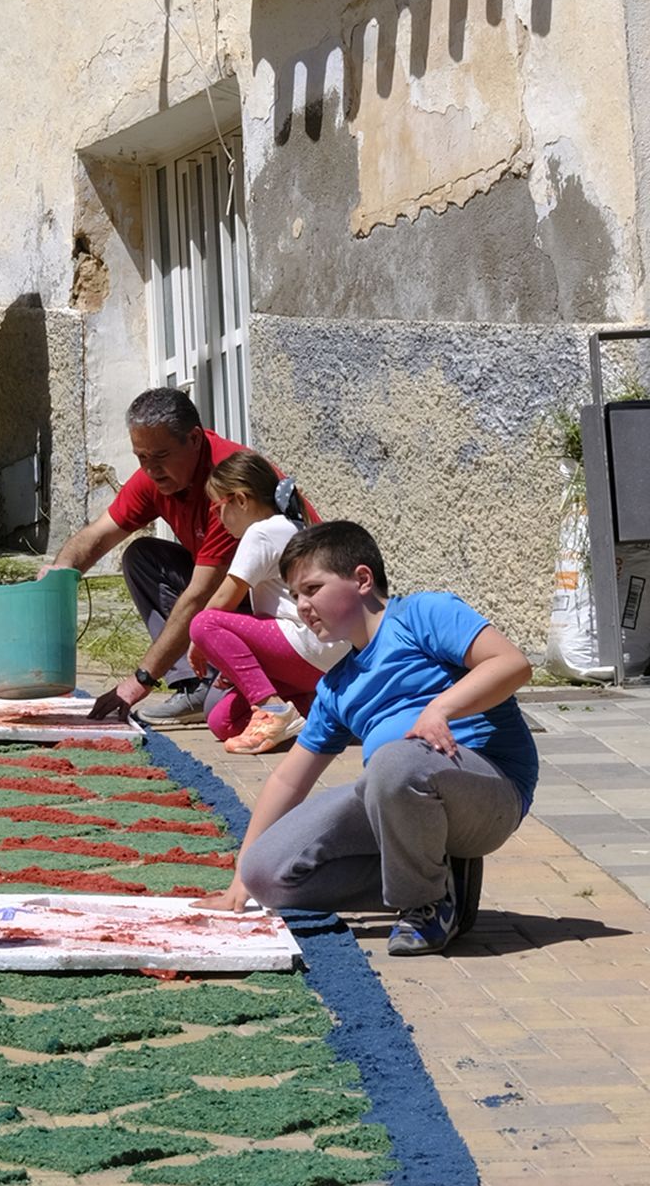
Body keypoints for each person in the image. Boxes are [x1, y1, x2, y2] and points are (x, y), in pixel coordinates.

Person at [225, 521, 537, 956]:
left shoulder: (423, 614)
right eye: (295, 595)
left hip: (489, 794)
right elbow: (288, 781)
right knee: (267, 873)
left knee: (394, 762)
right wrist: (240, 877)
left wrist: (440, 709)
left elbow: (512, 664)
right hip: (398, 798)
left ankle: (425, 905)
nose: (302, 606)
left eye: (312, 588)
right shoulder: (336, 687)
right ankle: (443, 880)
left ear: (362, 579)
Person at [52, 386, 258, 725]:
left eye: (160, 456)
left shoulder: (230, 485)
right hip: (226, 598)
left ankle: (238, 681)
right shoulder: (156, 476)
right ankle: (194, 684)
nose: (150, 470)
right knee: (141, 557)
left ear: (193, 440)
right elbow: (99, 535)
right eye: (141, 458)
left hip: (282, 612)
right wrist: (61, 573)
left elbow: (199, 596)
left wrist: (140, 681)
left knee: (222, 716)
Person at [188, 450, 338, 755]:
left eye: (218, 508)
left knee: (203, 622)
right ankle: (315, 713)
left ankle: (275, 710)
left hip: (305, 642)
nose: (216, 519)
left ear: (241, 500)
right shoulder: (290, 526)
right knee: (223, 721)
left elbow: (223, 601)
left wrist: (199, 643)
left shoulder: (262, 532)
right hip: (322, 657)